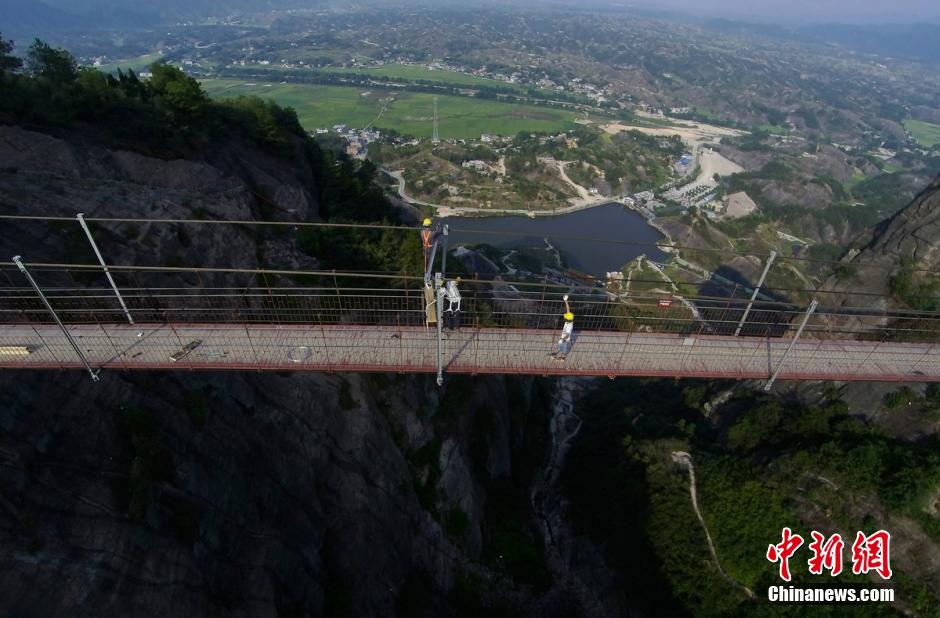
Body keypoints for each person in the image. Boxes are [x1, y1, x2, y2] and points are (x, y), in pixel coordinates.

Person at [549, 295, 574, 361]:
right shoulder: (569, 320)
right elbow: (568, 309)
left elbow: (568, 334)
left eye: (565, 318)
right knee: (560, 344)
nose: (564, 318)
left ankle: (563, 357)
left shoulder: (569, 325)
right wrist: (566, 301)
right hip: (564, 335)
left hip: (565, 337)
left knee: (564, 345)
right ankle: (556, 354)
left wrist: (563, 338)